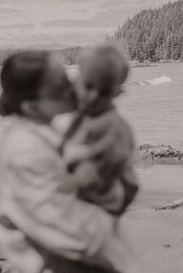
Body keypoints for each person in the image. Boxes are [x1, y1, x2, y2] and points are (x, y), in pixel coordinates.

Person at [0, 50, 136, 273]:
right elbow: (74, 232)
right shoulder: (25, 151)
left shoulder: (46, 128)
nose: (72, 88)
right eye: (60, 87)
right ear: (32, 107)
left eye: (69, 77)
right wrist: (117, 194)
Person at [55, 45, 139, 216]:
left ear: (117, 93)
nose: (94, 96)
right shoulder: (85, 111)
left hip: (100, 205)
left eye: (105, 92)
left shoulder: (112, 126)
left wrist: (66, 184)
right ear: (77, 80)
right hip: (85, 199)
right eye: (88, 86)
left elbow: (103, 168)